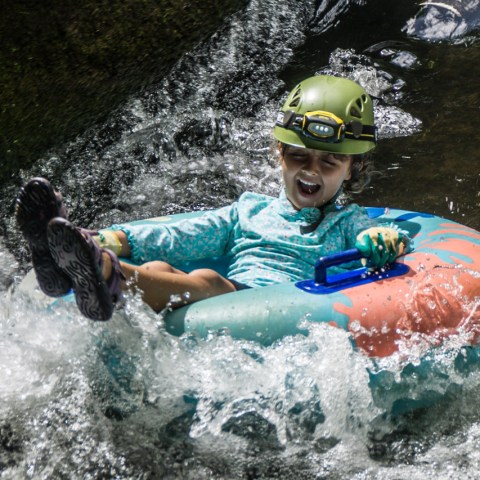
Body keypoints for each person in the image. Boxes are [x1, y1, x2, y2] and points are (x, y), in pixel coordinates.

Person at [16, 75, 409, 322]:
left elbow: (385, 238)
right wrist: (114, 237)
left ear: (351, 168)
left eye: (330, 162)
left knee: (208, 279)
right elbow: (187, 233)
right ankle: (74, 267)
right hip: (229, 297)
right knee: (158, 263)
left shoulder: (348, 221)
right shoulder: (249, 211)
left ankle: (103, 272)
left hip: (276, 308)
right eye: (298, 156)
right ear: (278, 154)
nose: (311, 171)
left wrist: (382, 242)